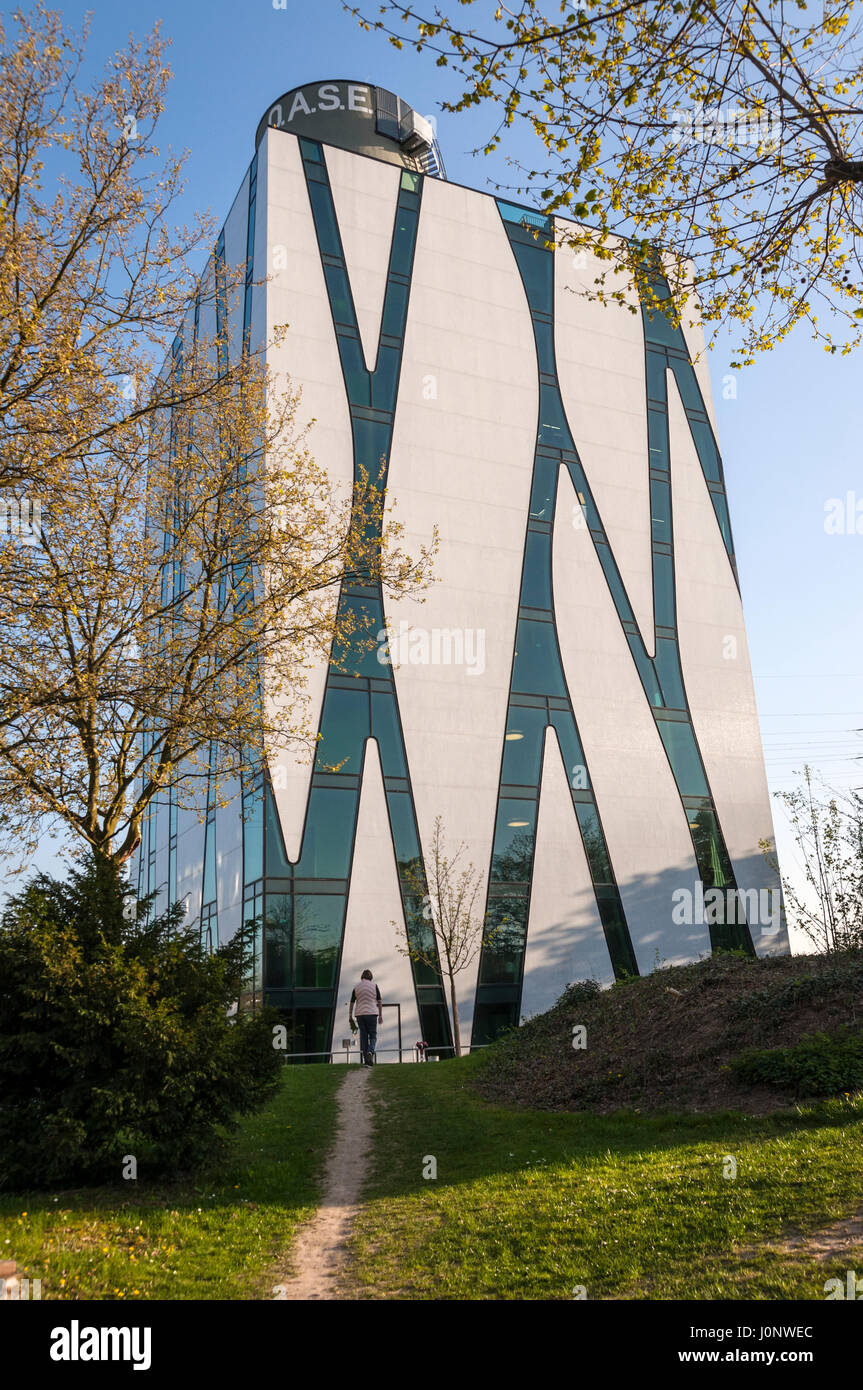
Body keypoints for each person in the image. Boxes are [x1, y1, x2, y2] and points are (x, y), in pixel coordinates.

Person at [349, 969, 383, 1065]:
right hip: (372, 1014)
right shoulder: (374, 986)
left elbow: (352, 1002)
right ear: (371, 977)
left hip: (360, 1014)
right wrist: (380, 1015)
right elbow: (379, 1001)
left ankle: (367, 1061)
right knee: (373, 1035)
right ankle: (370, 1051)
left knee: (363, 1037)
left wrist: (350, 1016)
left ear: (362, 977)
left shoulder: (356, 987)